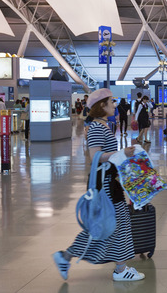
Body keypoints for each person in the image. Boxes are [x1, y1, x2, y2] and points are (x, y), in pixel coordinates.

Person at [52, 88, 144, 282]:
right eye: (111, 102)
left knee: (105, 226)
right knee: (116, 224)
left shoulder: (103, 126)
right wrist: (122, 154)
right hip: (105, 185)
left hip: (109, 182)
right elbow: (95, 157)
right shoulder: (96, 128)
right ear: (101, 106)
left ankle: (65, 256)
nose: (114, 106)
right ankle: (120, 270)